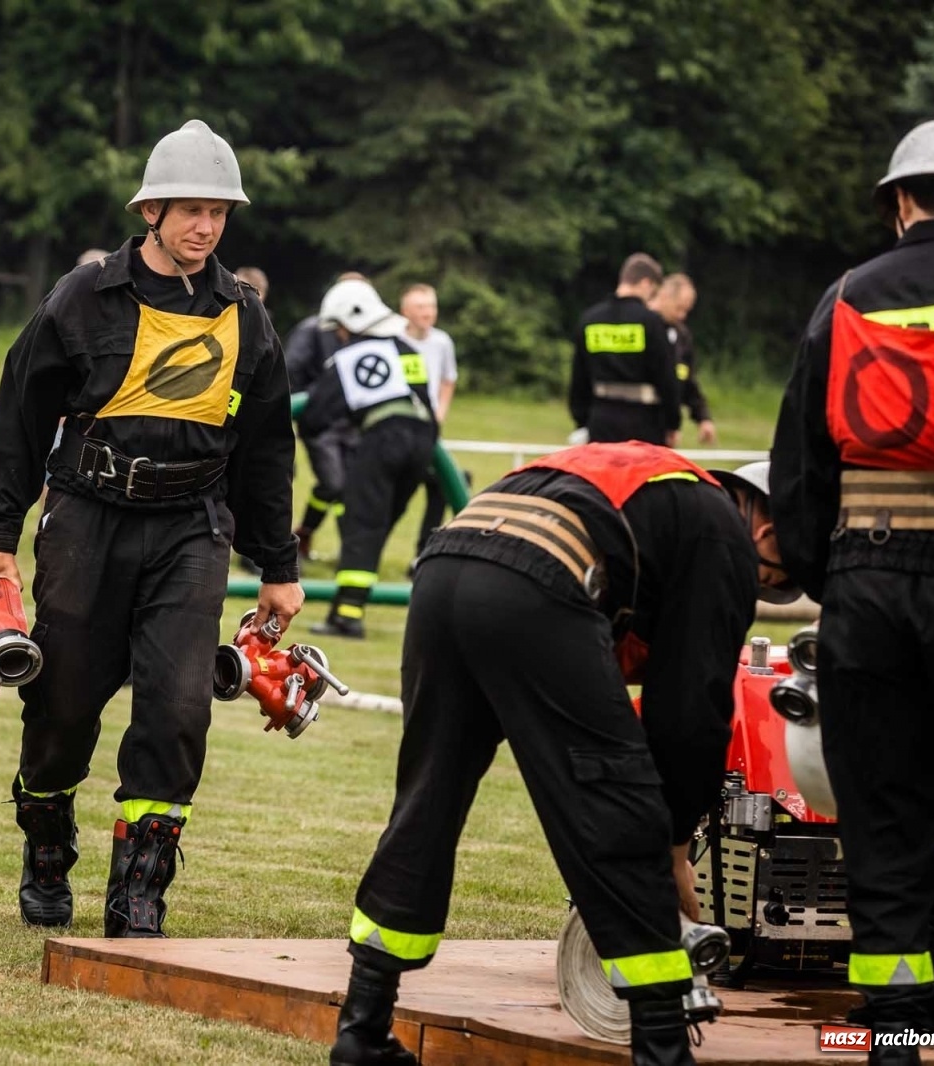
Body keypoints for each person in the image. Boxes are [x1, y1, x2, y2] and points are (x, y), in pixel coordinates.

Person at [0, 118, 302, 937]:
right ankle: (45, 841)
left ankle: (138, 890)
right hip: (87, 520)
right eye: (189, 211)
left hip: (192, 529)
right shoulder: (84, 297)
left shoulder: (247, 317)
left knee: (177, 710)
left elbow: (266, 449)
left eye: (218, 213)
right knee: (62, 707)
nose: (205, 227)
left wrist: (277, 564)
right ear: (151, 211)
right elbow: (23, 412)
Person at [330, 444, 796, 1066]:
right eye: (773, 579)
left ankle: (362, 1030)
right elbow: (690, 713)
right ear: (765, 529)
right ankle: (662, 1048)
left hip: (446, 563)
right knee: (617, 806)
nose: (762, 589)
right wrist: (675, 842)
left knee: (427, 800)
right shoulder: (721, 536)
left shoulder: (655, 480)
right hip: (535, 577)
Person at [770, 109, 934, 1062]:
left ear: (900, 201)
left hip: (869, 588)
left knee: (887, 834)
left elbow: (801, 466)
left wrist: (832, 575)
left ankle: (897, 1042)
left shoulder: (848, 294)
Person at [305, 279, 436, 639]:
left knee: (362, 526)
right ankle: (349, 607)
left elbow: (316, 413)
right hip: (423, 444)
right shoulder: (408, 350)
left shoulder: (350, 356)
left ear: (350, 322)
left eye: (340, 330)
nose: (339, 336)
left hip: (382, 441)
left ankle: (347, 616)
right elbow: (427, 402)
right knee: (380, 524)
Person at [289, 272, 367, 559]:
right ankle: (303, 536)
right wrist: (313, 403)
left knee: (349, 489)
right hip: (320, 424)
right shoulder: (312, 330)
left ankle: (317, 537)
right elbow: (290, 372)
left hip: (354, 423)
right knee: (335, 483)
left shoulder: (367, 334)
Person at [568, 254, 681, 447]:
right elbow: (667, 379)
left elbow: (578, 381)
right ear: (646, 283)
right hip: (644, 425)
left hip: (601, 422)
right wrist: (672, 423)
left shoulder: (591, 320)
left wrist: (583, 421)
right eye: (653, 292)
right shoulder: (651, 322)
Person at [399, 283, 458, 555]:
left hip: (428, 428)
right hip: (397, 426)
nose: (428, 313)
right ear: (405, 311)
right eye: (421, 307)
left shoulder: (442, 341)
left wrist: (440, 413)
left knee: (443, 484)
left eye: (432, 306)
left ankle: (422, 551)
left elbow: (448, 379)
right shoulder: (393, 339)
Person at [649, 274, 715, 444]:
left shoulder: (681, 336)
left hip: (664, 427)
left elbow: (687, 381)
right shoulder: (644, 327)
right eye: (679, 308)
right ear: (664, 296)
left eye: (686, 310)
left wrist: (703, 418)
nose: (682, 315)